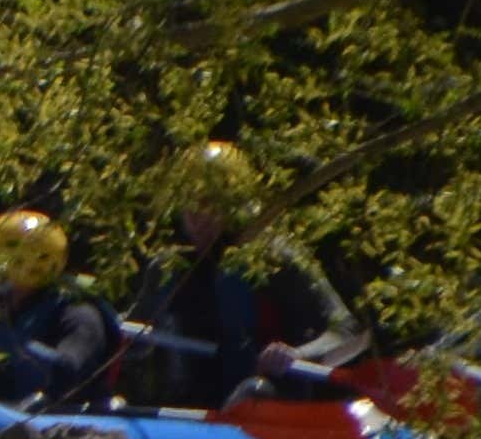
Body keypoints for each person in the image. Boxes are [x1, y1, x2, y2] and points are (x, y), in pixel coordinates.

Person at [125, 140, 367, 407]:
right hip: (189, 413)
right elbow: (130, 338)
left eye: (209, 203)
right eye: (189, 202)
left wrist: (298, 354)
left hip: (265, 406)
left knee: (253, 390)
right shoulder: (166, 269)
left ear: (234, 204)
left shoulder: (273, 259)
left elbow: (349, 332)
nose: (197, 216)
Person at [0, 210, 119, 407]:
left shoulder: (80, 314)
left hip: (66, 425)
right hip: (5, 409)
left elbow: (66, 372)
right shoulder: (1, 303)